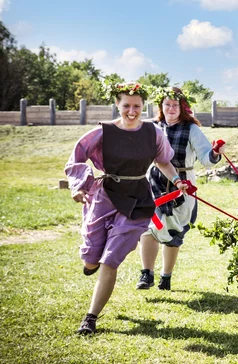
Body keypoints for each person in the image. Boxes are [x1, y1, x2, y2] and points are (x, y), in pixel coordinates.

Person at [65, 82, 187, 335]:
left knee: (110, 261)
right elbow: (77, 156)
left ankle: (90, 318)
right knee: (91, 260)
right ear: (118, 105)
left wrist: (176, 180)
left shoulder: (153, 133)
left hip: (137, 200)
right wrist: (78, 185)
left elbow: (163, 161)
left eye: (137, 107)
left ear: (144, 107)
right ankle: (91, 263)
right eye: (126, 106)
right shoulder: (104, 132)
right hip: (104, 197)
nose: (132, 111)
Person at [136, 87, 225, 291]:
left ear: (182, 107)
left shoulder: (191, 129)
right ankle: (146, 274)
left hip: (183, 187)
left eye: (175, 105)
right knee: (149, 227)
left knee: (174, 232)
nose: (171, 108)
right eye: (167, 104)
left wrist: (215, 153)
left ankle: (165, 277)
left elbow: (206, 158)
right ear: (161, 106)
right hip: (155, 184)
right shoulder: (152, 127)